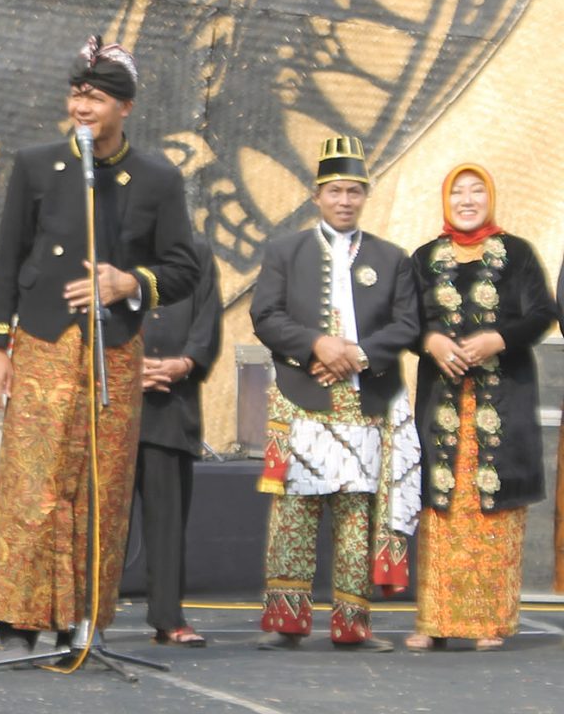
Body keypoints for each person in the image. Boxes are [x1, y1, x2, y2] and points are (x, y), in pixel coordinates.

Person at [0, 36, 199, 655]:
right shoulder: (35, 164)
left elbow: (183, 267)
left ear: (125, 107)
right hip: (44, 341)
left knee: (99, 489)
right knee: (34, 484)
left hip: (114, 352)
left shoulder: (156, 178)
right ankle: (19, 622)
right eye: (78, 94)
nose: (83, 106)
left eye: (97, 97)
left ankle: (81, 620)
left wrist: (129, 282)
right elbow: (9, 256)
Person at [251, 135, 419, 653]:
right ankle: (287, 623)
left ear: (365, 196)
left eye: (353, 191)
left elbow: (408, 324)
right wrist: (318, 346)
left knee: (356, 517)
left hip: (366, 402)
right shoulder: (285, 250)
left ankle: (352, 625)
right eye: (335, 191)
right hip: (303, 398)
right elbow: (266, 316)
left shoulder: (392, 259)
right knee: (295, 515)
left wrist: (357, 356)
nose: (344, 201)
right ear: (316, 195)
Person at [407, 164, 554, 652]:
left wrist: (498, 338)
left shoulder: (517, 255)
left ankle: (490, 623)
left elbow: (541, 313)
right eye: (457, 192)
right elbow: (403, 320)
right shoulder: (425, 258)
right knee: (440, 512)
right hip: (441, 406)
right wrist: (429, 340)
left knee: (493, 514)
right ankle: (435, 622)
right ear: (446, 201)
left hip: (502, 404)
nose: (467, 200)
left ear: (490, 198)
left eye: (476, 192)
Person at [135, 235, 222, 648]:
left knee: (167, 521)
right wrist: (125, 369)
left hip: (173, 404)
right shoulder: (105, 240)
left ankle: (168, 618)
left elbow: (208, 318)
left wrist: (185, 363)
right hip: (110, 402)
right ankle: (86, 618)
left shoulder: (195, 251)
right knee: (98, 521)